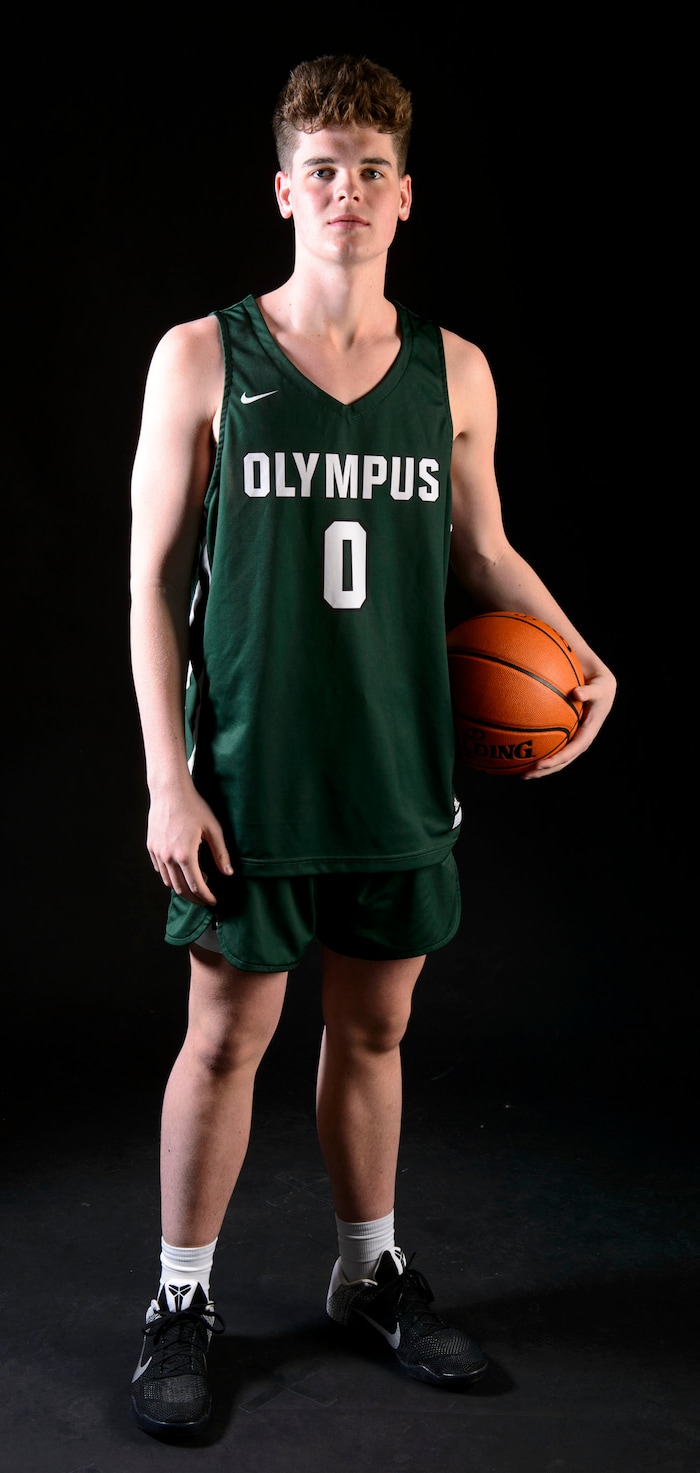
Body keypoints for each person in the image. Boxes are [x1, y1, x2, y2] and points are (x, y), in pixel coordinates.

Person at [128, 54, 616, 1439]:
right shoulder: (202, 356)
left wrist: (583, 661)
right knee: (225, 1035)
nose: (348, 191)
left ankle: (366, 1272)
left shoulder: (453, 372)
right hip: (253, 766)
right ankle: (180, 1295)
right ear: (287, 191)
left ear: (405, 200)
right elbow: (151, 585)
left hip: (399, 759)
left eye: (372, 172)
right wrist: (169, 774)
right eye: (323, 169)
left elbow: (484, 549)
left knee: (379, 1023)